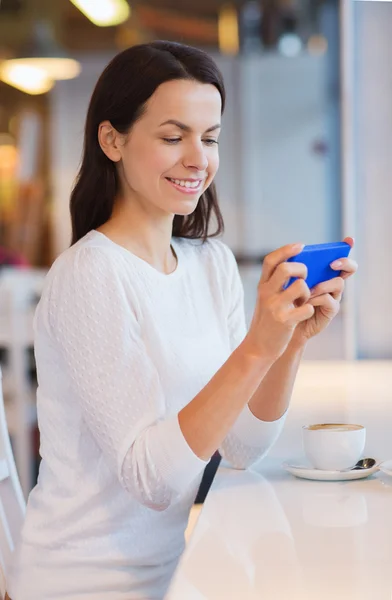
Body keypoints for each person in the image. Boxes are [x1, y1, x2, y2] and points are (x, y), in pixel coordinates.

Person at [7, 40, 357, 600]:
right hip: (84, 583)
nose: (199, 158)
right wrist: (256, 349)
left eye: (210, 137)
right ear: (112, 139)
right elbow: (150, 479)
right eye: (174, 137)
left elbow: (242, 447)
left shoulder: (211, 263)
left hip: (174, 569)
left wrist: (287, 342)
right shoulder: (89, 274)